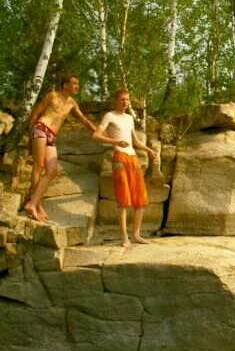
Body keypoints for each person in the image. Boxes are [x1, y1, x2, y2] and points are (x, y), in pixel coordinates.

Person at [23, 74, 96, 221]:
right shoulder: (52, 95)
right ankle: (37, 205)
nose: (77, 86)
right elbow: (35, 114)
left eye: (78, 84)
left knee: (52, 171)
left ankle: (33, 203)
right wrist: (30, 137)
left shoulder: (72, 103)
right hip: (41, 128)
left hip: (51, 136)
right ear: (65, 85)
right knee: (38, 166)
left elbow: (83, 120)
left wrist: (97, 132)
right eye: (74, 83)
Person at [92, 88, 158, 250]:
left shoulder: (129, 118)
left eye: (127, 100)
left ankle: (136, 235)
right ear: (116, 101)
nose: (125, 102)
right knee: (123, 200)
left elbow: (135, 141)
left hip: (133, 157)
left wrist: (150, 151)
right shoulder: (110, 116)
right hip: (120, 158)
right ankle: (124, 237)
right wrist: (114, 142)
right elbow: (95, 135)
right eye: (122, 100)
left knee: (140, 198)